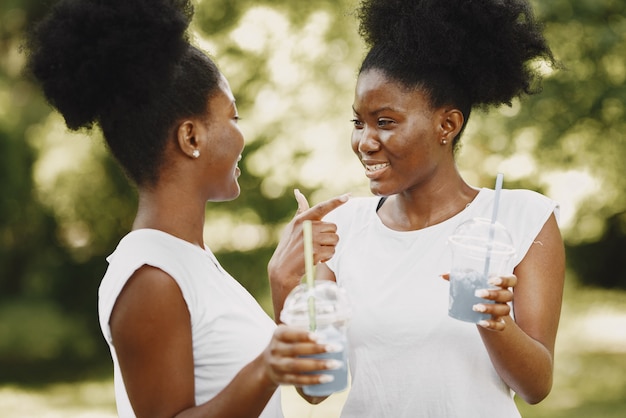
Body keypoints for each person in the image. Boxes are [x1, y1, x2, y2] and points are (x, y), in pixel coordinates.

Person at [24, 0, 348, 417]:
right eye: (233, 116)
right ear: (191, 137)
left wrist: (283, 288)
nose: (242, 135)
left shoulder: (191, 260)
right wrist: (267, 367)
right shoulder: (151, 277)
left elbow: (306, 386)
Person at [270, 0, 565, 417]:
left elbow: (536, 386)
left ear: (447, 125)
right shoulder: (343, 227)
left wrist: (492, 321)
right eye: (359, 122)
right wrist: (284, 289)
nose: (364, 141)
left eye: (385, 122)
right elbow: (317, 390)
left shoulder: (521, 218)